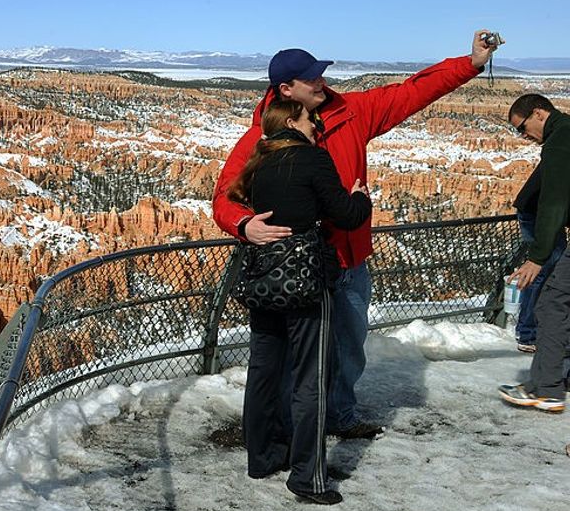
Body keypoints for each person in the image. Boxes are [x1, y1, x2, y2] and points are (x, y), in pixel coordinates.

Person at [213, 31, 498, 438]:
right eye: (312, 78)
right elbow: (224, 196)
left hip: (348, 261)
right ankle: (290, 431)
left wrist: (470, 64)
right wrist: (244, 224)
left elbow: (411, 92)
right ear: (286, 89)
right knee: (297, 356)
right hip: (297, 267)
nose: (322, 82)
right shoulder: (261, 138)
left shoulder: (352, 113)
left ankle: (339, 417)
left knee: (348, 349)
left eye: (320, 74)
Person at [228, 99, 371, 504]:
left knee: (264, 370)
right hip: (305, 279)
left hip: (264, 279)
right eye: (311, 119)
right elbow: (346, 215)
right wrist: (360, 197)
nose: (316, 124)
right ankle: (308, 478)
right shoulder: (313, 158)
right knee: (312, 377)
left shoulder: (259, 163)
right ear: (292, 122)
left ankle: (262, 458)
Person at [500, 94, 570, 413]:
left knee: (552, 304)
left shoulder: (559, 142)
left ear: (539, 113)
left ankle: (546, 389)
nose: (523, 136)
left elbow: (553, 203)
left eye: (523, 127)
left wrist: (537, 257)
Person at [512, 162, 566, 354]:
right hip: (539, 216)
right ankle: (528, 334)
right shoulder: (562, 155)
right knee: (541, 271)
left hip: (542, 214)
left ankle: (529, 330)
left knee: (552, 269)